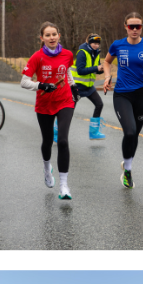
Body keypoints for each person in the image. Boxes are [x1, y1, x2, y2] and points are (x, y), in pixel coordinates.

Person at [106, 12, 143, 188]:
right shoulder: (117, 45)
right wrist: (107, 76)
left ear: (142, 27)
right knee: (129, 132)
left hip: (141, 94)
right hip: (122, 94)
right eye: (131, 26)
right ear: (126, 27)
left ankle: (127, 164)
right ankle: (128, 172)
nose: (135, 29)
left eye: (138, 26)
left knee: (135, 134)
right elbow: (107, 62)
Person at [26, 22, 77, 199]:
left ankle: (64, 186)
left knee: (62, 141)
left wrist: (73, 86)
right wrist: (41, 85)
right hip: (44, 104)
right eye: (47, 35)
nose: (51, 37)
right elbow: (24, 82)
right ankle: (47, 168)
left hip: (65, 101)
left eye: (54, 34)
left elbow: (66, 70)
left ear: (59, 36)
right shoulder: (37, 57)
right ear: (42, 38)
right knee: (47, 141)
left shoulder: (67, 54)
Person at [68, 34, 107, 139]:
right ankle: (57, 133)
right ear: (89, 43)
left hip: (89, 86)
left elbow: (95, 70)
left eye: (98, 44)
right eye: (94, 43)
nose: (96, 45)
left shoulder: (96, 53)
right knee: (69, 111)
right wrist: (96, 68)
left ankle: (94, 132)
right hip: (77, 86)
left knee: (99, 104)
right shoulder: (82, 52)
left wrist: (101, 69)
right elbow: (80, 71)